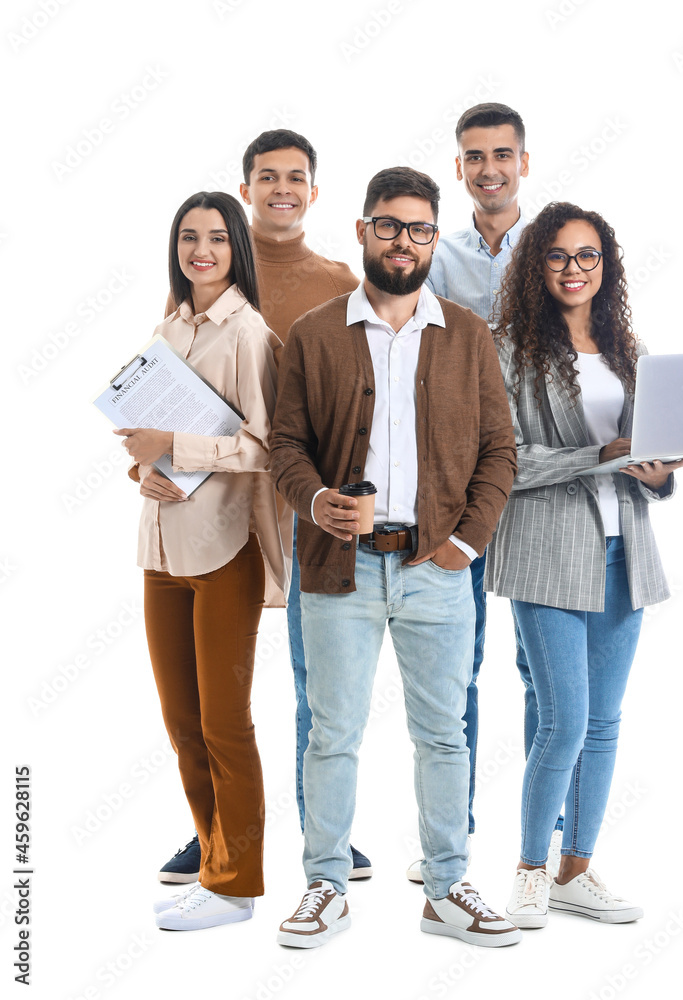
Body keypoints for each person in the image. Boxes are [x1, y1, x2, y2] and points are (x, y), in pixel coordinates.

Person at [270, 166, 520, 948]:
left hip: (435, 569)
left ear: (431, 239)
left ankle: (447, 889)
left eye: (418, 229)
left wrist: (463, 543)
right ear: (362, 231)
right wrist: (315, 501)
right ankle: (324, 885)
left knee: (444, 733)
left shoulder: (467, 334)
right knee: (330, 732)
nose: (403, 241)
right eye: (388, 225)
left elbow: (498, 451)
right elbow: (285, 446)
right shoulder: (313, 333)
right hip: (336, 570)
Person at [157, 130, 371, 884]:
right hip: (216, 513)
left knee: (318, 679)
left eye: (296, 178)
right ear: (245, 188)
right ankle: (217, 837)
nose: (281, 188)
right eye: (266, 176)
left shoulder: (341, 280)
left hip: (308, 506)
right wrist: (153, 463)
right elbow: (173, 406)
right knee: (212, 702)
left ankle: (325, 829)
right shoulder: (199, 288)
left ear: (313, 192)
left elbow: (359, 393)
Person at [485, 202, 683, 928]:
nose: (574, 270)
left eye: (588, 256)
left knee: (602, 722)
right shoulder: (504, 348)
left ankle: (577, 870)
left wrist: (658, 470)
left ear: (606, 266)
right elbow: (501, 460)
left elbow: (644, 459)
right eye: (558, 257)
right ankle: (529, 870)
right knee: (562, 722)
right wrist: (597, 455)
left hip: (621, 548)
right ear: (535, 267)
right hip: (545, 551)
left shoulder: (624, 349)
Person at [117, 191, 287, 930]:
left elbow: (266, 446)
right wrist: (143, 469)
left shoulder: (248, 334)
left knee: (225, 724)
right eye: (189, 237)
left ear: (235, 248)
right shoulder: (167, 326)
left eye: (217, 238)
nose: (201, 251)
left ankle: (236, 885)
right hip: (161, 545)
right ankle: (212, 868)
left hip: (224, 550)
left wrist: (175, 449)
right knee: (181, 721)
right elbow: (143, 435)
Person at [404, 103, 562, 880]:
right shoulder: (436, 257)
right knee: (452, 667)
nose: (488, 168)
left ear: (523, 162)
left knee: (542, 672)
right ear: (458, 166)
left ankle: (551, 839)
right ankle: (450, 835)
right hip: (460, 481)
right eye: (474, 156)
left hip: (542, 481)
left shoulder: (558, 250)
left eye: (502, 154)